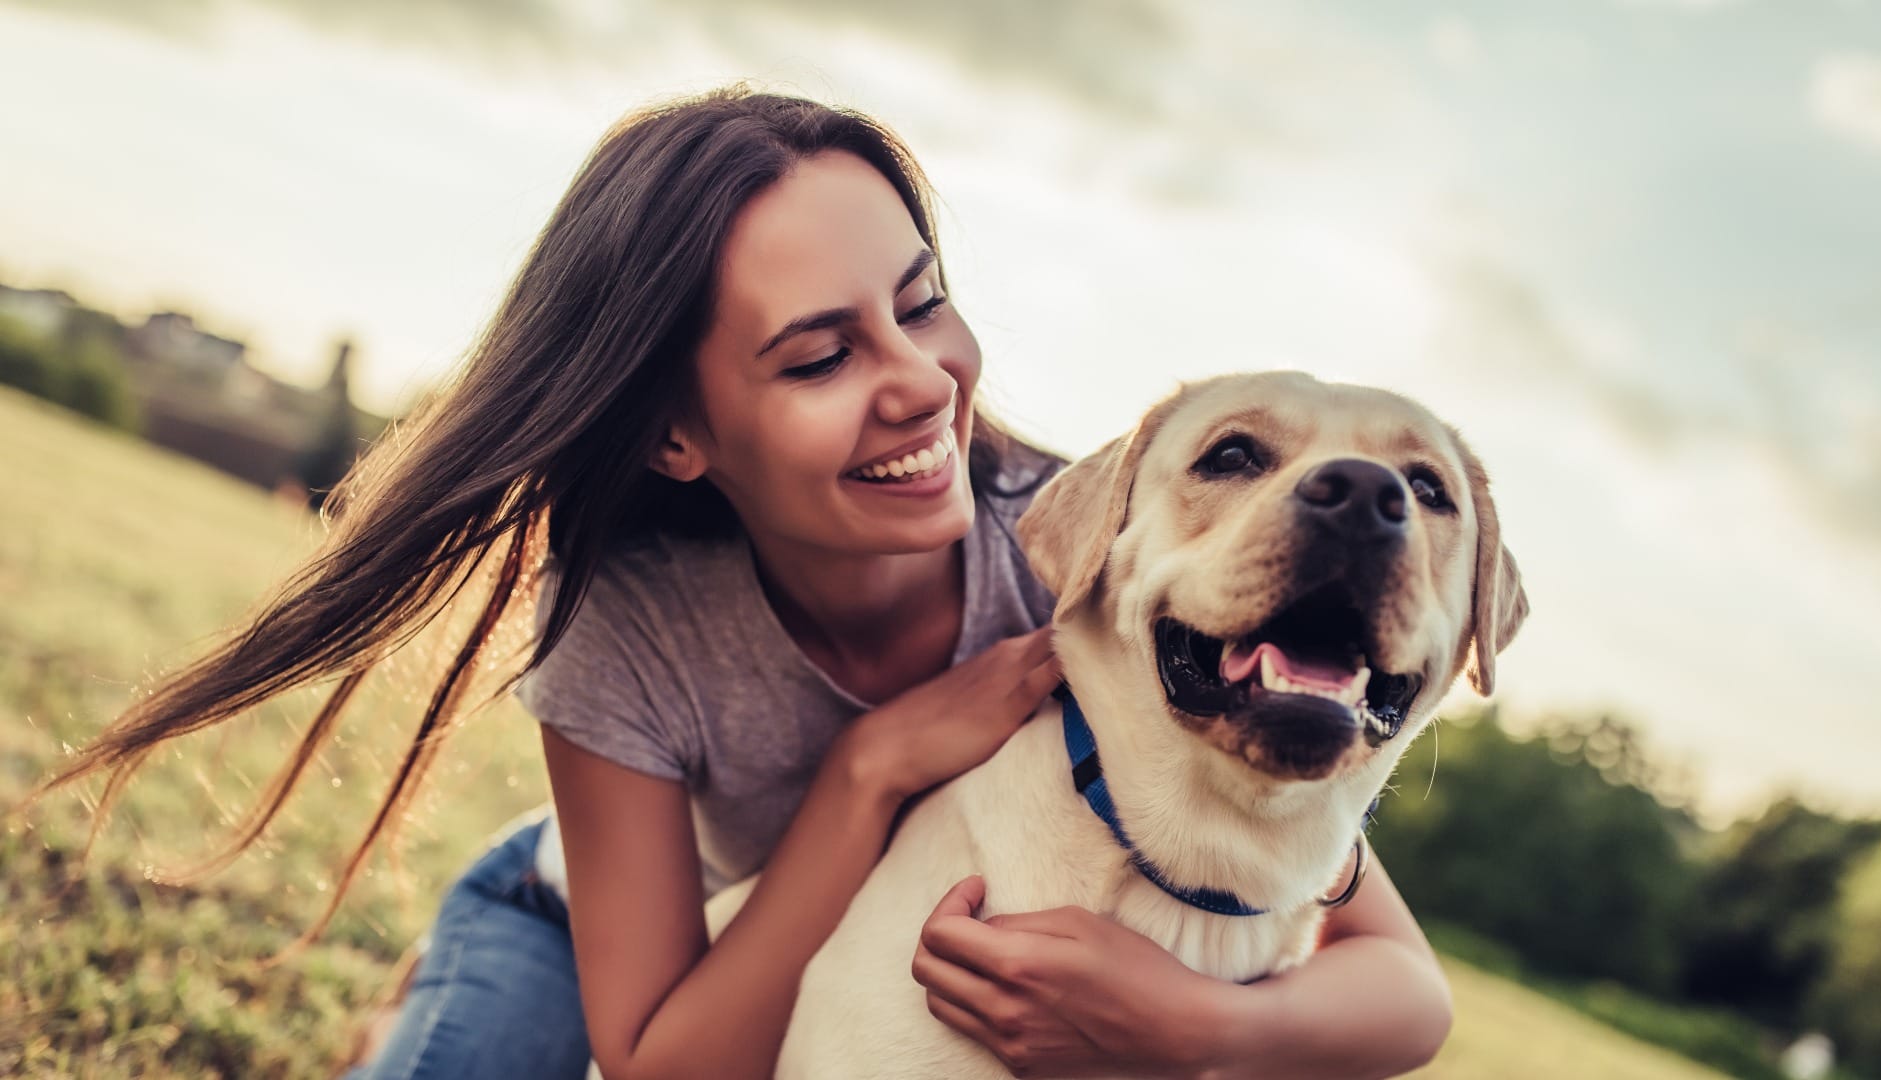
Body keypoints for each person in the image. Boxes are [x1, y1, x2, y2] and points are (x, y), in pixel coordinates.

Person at [36, 88, 1453, 1080]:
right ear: (676, 432)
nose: (922, 387)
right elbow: (664, 1061)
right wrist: (870, 773)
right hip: (591, 934)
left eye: (921, 303)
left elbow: (1399, 984)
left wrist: (1199, 1032)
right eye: (819, 356)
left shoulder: (1100, 561)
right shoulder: (628, 630)